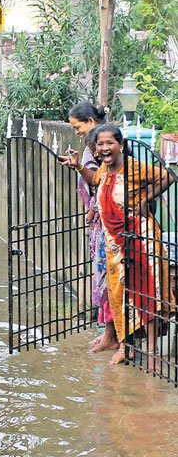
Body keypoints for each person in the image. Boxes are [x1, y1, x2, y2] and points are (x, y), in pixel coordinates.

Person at [64, 124, 175, 368]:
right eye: (100, 144)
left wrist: (146, 199)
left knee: (147, 293)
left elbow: (168, 176)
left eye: (109, 143)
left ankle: (153, 352)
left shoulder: (135, 167)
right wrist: (79, 166)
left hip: (140, 239)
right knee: (119, 294)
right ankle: (126, 347)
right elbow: (96, 180)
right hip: (114, 242)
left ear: (120, 145)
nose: (104, 148)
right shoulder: (104, 166)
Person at [67, 102, 112, 353]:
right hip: (101, 220)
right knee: (104, 276)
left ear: (91, 122)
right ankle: (108, 331)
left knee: (108, 276)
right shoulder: (92, 148)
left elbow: (98, 180)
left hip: (110, 222)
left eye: (78, 126)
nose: (77, 132)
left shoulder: (102, 148)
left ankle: (111, 334)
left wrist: (79, 167)